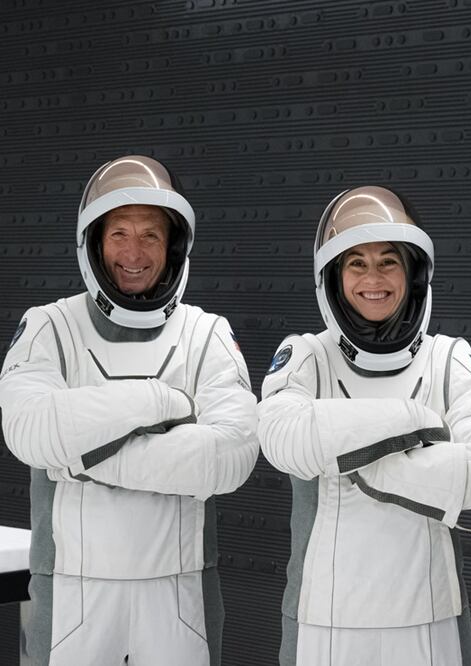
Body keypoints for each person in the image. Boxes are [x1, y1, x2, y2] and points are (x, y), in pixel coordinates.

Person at [0, 155, 259, 666]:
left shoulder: (206, 333)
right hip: (71, 594)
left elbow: (231, 454)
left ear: (174, 247)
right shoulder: (49, 327)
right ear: (95, 242)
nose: (134, 252)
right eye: (119, 233)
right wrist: (163, 402)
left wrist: (77, 456)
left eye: (151, 236)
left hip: (181, 594)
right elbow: (30, 429)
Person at [258, 186, 471, 666]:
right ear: (333, 277)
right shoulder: (307, 354)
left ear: (413, 274)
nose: (374, 279)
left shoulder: (449, 357)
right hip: (323, 619)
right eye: (356, 264)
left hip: (430, 618)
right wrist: (415, 423)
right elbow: (285, 440)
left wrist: (347, 453)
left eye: (389, 262)